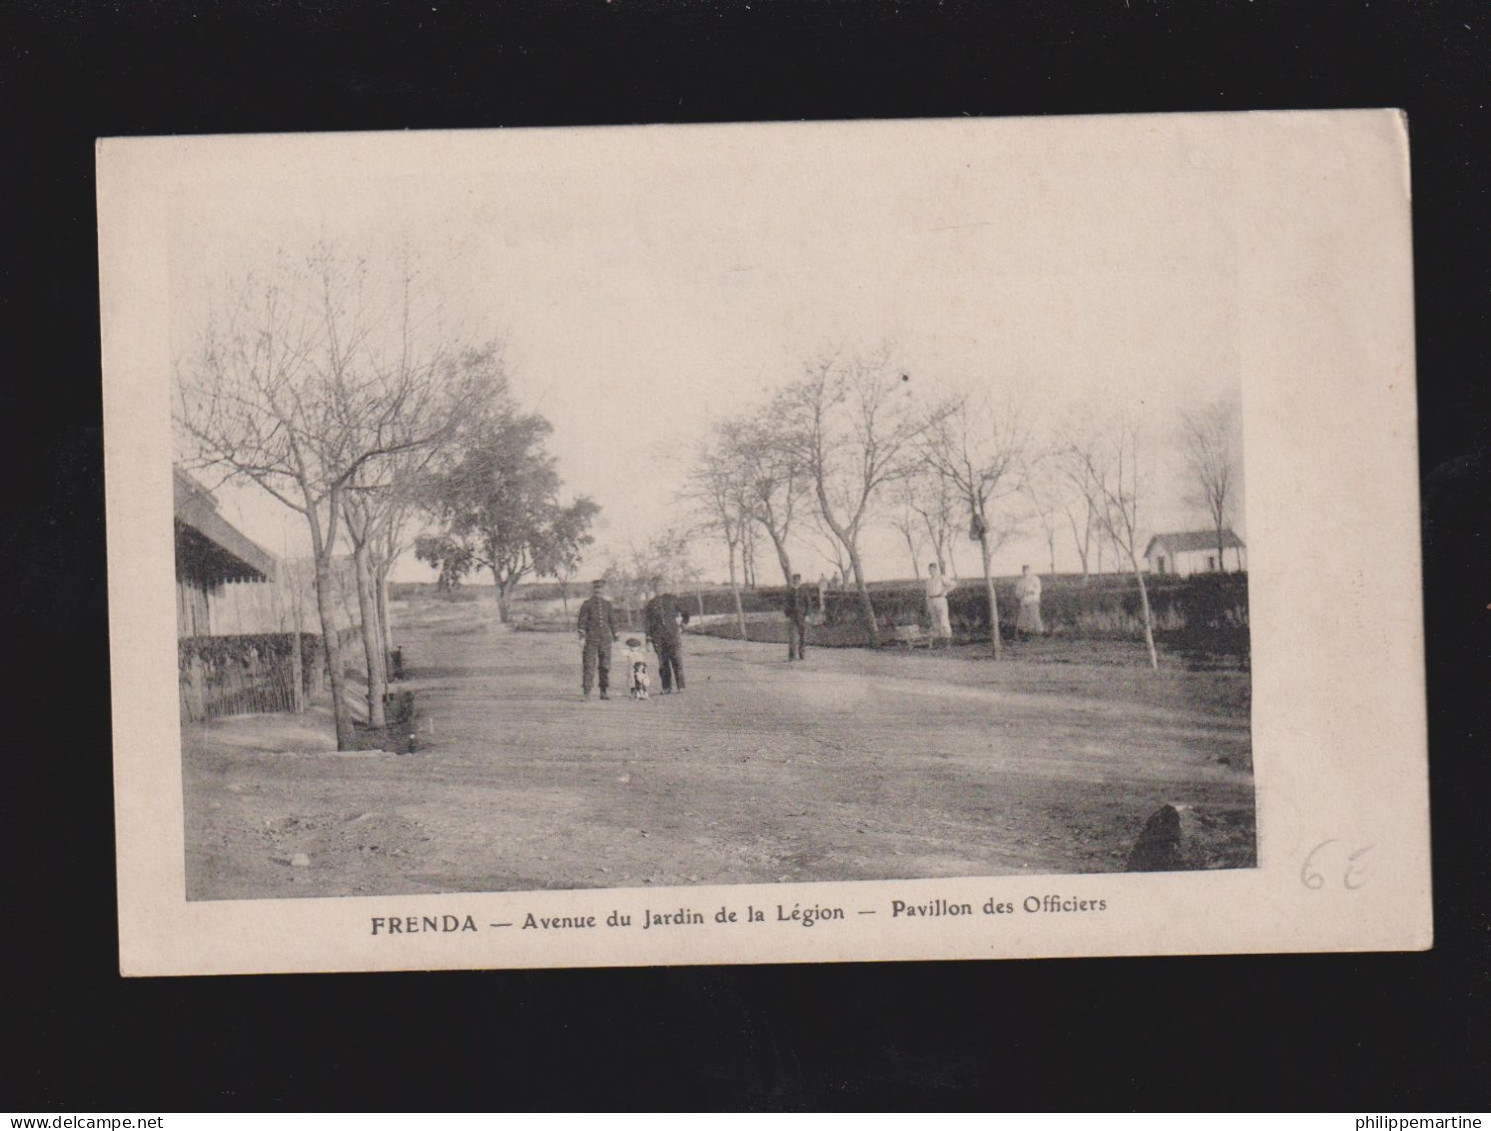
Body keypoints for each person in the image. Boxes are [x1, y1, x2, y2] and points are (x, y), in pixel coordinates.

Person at [576, 579, 619, 699]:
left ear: (603, 590)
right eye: (596, 588)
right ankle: (586, 692)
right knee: (589, 665)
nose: (598, 591)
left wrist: (616, 635)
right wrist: (581, 637)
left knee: (605, 666)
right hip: (591, 639)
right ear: (593, 590)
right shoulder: (587, 604)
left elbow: (613, 621)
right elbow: (582, 622)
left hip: (605, 639)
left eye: (600, 588)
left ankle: (603, 691)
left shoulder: (607, 604)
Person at [642, 592, 690, 693]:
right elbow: (647, 623)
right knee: (663, 663)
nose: (659, 587)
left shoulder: (672, 599)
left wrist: (684, 624)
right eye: (657, 585)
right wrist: (648, 639)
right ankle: (666, 687)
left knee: (677, 660)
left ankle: (681, 686)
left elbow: (685, 612)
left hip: (672, 635)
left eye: (661, 584)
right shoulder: (651, 604)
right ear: (654, 588)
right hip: (658, 637)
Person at [925, 562, 954, 641]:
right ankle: (937, 638)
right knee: (934, 620)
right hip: (931, 600)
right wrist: (928, 603)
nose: (931, 571)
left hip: (940, 599)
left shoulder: (941, 578)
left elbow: (952, 584)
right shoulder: (928, 581)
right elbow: (927, 594)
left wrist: (944, 591)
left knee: (943, 619)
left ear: (936, 569)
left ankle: (947, 638)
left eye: (932, 569)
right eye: (930, 569)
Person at [784, 573, 809, 661]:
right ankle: (792, 656)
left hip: (802, 616)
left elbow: (808, 604)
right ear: (793, 580)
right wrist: (787, 614)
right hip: (793, 616)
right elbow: (786, 603)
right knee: (792, 637)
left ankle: (802, 654)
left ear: (800, 580)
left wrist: (807, 615)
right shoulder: (790, 591)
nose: (796, 581)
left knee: (803, 636)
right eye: (794, 579)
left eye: (798, 579)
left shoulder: (804, 591)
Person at [1015, 564, 1044, 640]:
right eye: (1024, 570)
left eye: (1027, 570)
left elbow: (1038, 589)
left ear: (1030, 570)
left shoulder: (1035, 579)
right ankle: (1026, 633)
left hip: (1033, 600)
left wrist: (1031, 591)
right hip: (1024, 601)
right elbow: (1017, 593)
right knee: (1024, 618)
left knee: (1034, 616)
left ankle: (1039, 633)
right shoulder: (1021, 581)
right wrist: (1023, 593)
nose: (1025, 572)